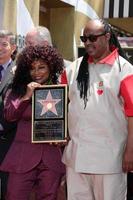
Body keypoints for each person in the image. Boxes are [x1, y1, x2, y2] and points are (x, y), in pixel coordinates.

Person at [62, 19, 133, 200]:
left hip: (110, 159)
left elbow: (132, 115)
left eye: (92, 38)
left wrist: (130, 152)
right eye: (84, 38)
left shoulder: (125, 70)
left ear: (107, 37)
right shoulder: (73, 68)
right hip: (76, 158)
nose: (87, 42)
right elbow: (57, 103)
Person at [0, 45, 66, 200]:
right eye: (32, 68)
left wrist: (65, 136)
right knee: (14, 195)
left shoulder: (60, 89)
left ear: (51, 67)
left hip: (51, 157)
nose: (36, 73)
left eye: (41, 67)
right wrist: (26, 96)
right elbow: (9, 116)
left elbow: (71, 120)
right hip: (22, 157)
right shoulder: (17, 89)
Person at [0, 30, 17, 200]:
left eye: (3, 44)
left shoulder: (20, 72)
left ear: (13, 47)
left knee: (8, 189)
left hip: (9, 141)